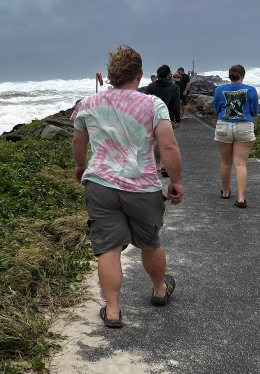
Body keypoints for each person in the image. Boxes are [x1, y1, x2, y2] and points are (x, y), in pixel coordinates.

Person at [72, 45, 183, 328]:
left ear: (110, 75)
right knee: (150, 242)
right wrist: (175, 180)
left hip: (100, 185)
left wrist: (80, 167)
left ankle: (112, 310)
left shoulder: (88, 103)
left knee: (108, 247)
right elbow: (168, 146)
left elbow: (79, 140)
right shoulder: (153, 104)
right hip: (142, 186)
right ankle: (159, 290)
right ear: (140, 74)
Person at [212, 64, 259, 208]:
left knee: (226, 162)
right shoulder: (251, 90)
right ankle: (241, 198)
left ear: (229, 76)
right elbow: (254, 111)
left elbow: (216, 108)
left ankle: (226, 192)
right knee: (240, 163)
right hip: (244, 126)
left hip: (224, 125)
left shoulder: (219, 90)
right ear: (243, 76)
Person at [146, 65, 182, 177]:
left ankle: (157, 164)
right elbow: (176, 105)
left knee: (156, 141)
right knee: (166, 142)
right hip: (167, 118)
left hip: (152, 116)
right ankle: (164, 166)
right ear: (168, 75)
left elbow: (145, 102)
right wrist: (177, 119)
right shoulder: (174, 88)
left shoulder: (151, 86)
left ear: (157, 75)